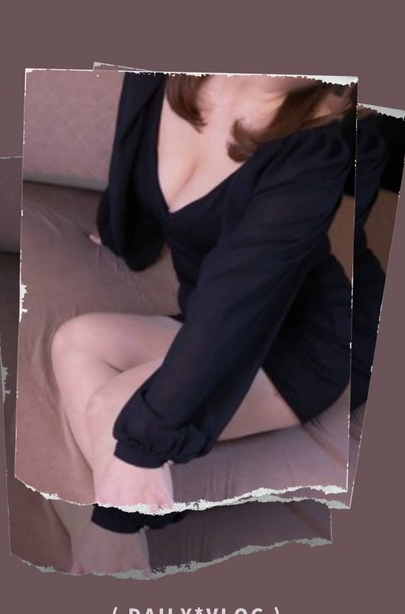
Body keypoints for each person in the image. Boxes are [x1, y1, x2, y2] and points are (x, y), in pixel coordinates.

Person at [50, 72, 355, 574]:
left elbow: (236, 306)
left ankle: (114, 555)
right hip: (211, 317)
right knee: (74, 340)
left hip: (299, 345)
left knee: (116, 409)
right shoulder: (159, 73)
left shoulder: (314, 151)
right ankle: (114, 552)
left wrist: (125, 493)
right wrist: (121, 233)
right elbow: (130, 153)